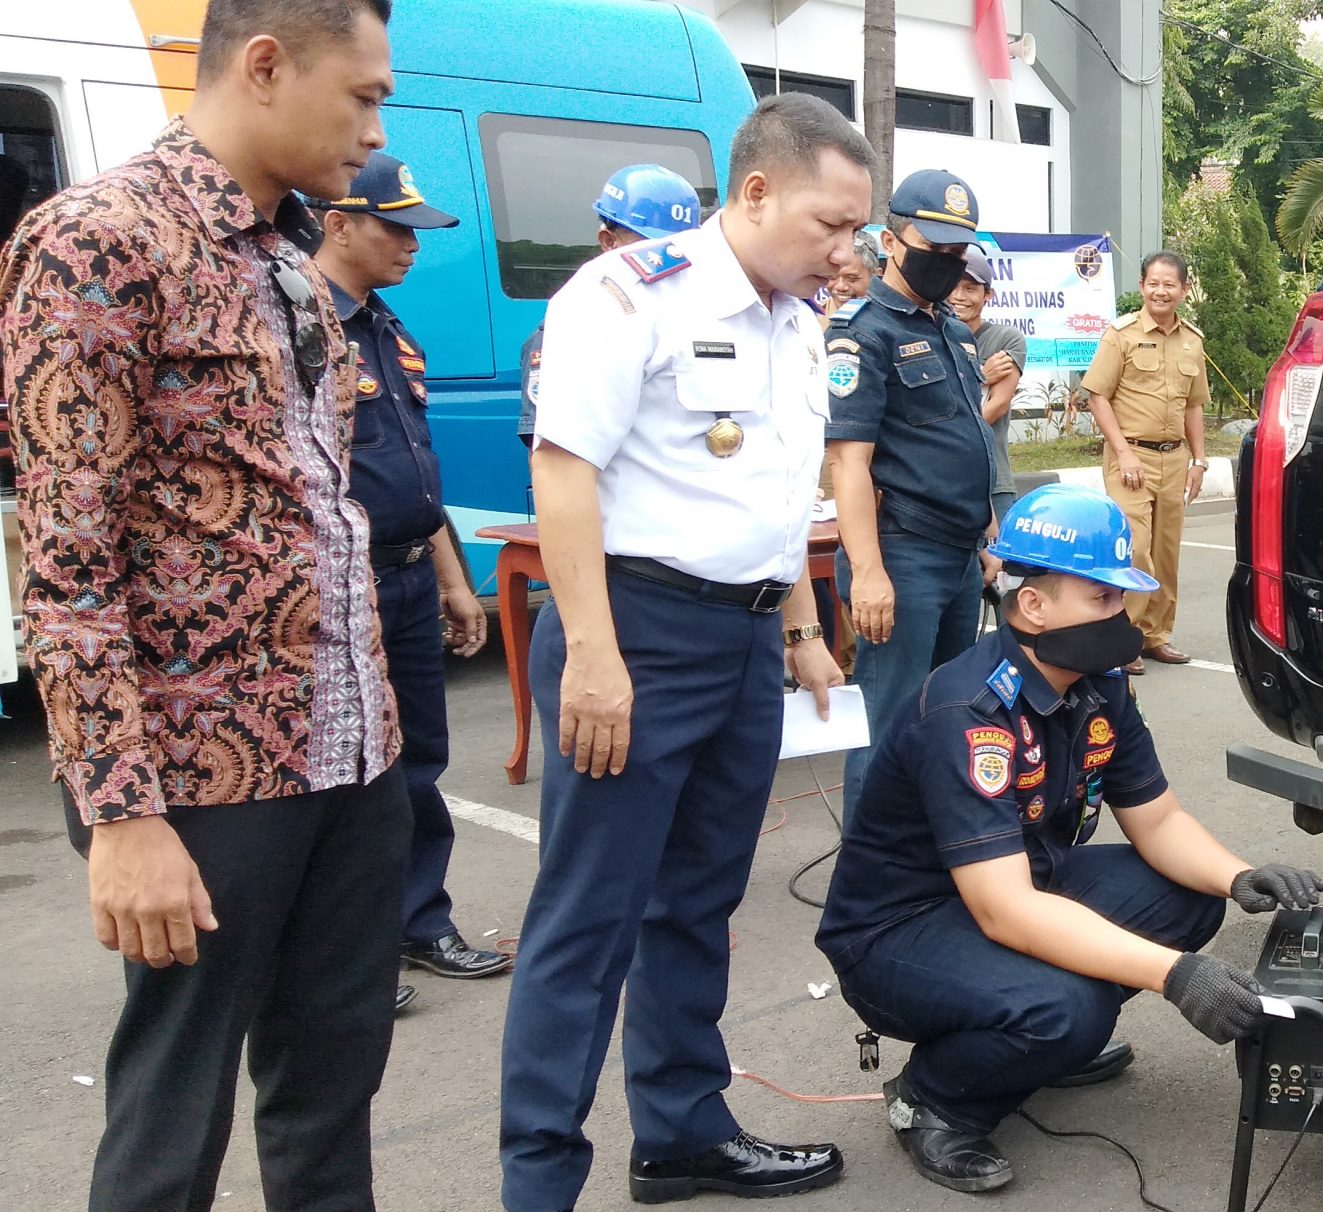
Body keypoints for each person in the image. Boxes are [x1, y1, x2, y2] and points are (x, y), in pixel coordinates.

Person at [0, 1, 406, 1208]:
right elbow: (65, 563)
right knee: (174, 1123)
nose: (374, 127)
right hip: (201, 784)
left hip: (352, 756)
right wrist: (119, 812)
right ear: (267, 65)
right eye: (366, 95)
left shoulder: (292, 257)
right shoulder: (95, 242)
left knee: (332, 1096)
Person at [499, 93, 873, 1210]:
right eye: (830, 224)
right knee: (586, 923)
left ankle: (679, 1131)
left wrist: (802, 630)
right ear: (754, 193)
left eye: (857, 231)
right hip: (638, 635)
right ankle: (538, 1187)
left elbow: (770, 496)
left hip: (749, 637)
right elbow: (563, 473)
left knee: (696, 902)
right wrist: (597, 660)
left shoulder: (799, 321)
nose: (845, 251)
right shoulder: (626, 294)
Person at [816, 484, 1323, 1193]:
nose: (1122, 616)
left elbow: (1159, 820)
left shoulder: (1096, 682)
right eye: (1104, 598)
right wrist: (1174, 977)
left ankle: (1035, 1042)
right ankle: (933, 1097)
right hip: (899, 933)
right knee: (1069, 1008)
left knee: (1190, 899)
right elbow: (1006, 912)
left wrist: (1238, 876)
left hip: (1017, 883)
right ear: (1033, 606)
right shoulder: (970, 714)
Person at [308, 150, 510, 999]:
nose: (412, 244)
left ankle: (418, 923)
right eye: (395, 228)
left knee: (418, 763)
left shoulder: (389, 333)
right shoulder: (298, 327)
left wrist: (459, 584)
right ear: (337, 224)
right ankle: (342, 959)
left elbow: (415, 478)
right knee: (337, 779)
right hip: (332, 590)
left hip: (408, 580)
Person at [826, 169, 1001, 812]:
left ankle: (928, 855)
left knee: (947, 713)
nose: (949, 265)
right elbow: (849, 462)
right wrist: (868, 573)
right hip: (902, 554)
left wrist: (985, 538)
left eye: (959, 253)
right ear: (891, 239)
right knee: (887, 720)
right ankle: (866, 887)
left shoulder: (951, 331)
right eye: (936, 250)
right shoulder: (864, 331)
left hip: (957, 555)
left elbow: (962, 443)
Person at [1082, 251, 1210, 672]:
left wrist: (1200, 460)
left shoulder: (1193, 340)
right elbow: (1097, 395)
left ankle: (1157, 636)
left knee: (1166, 551)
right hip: (1130, 456)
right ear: (1141, 287)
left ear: (1183, 289)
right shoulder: (1120, 334)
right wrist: (1122, 452)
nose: (1160, 291)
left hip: (1174, 460)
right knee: (1135, 548)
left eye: (1169, 284)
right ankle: (1125, 637)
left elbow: (1195, 406)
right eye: (1153, 283)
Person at [517, 163, 703, 447]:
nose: (671, 261)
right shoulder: (572, 329)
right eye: (653, 250)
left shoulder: (708, 319)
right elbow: (551, 459)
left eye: (680, 249)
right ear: (608, 241)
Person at [953, 243, 1027, 532]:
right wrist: (981, 377)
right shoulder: (931, 335)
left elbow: (997, 405)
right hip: (940, 479)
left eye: (971, 288)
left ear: (988, 296)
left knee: (1003, 568)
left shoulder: (1006, 340)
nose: (959, 297)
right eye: (953, 286)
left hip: (993, 478)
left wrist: (947, 435)